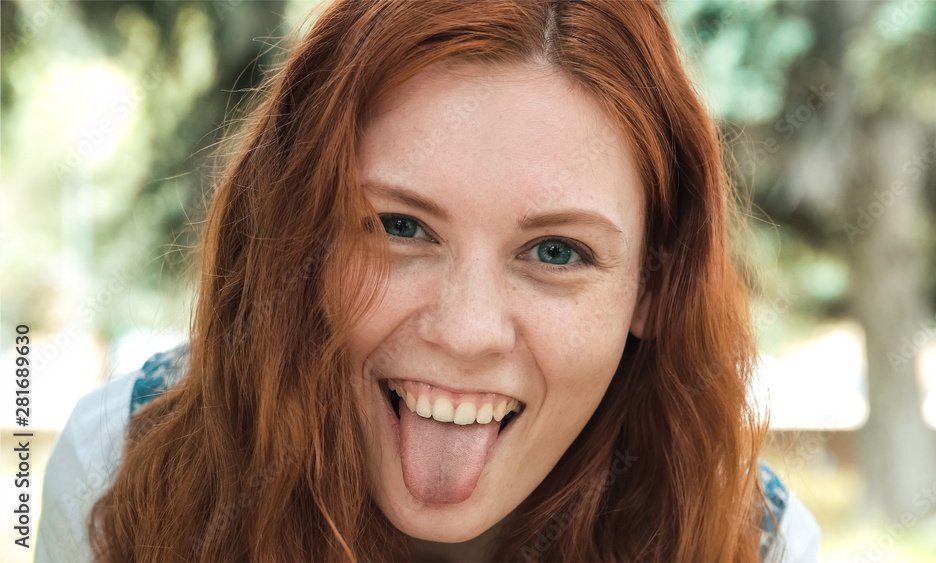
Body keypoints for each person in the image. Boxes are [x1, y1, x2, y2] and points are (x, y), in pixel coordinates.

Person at [36, 0, 821, 561]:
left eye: (555, 252)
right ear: (295, 235)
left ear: (653, 284)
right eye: (399, 227)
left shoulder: (755, 545)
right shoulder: (121, 473)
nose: (465, 328)